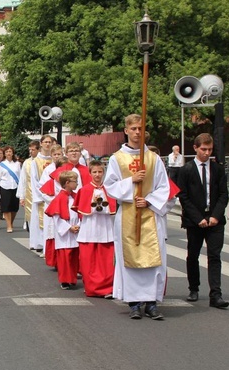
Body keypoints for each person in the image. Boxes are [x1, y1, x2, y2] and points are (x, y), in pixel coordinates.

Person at [104, 114, 170, 320]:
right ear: (126, 130)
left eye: (140, 128)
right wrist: (131, 181)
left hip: (150, 214)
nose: (137, 132)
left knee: (153, 259)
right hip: (127, 215)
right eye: (133, 128)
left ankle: (151, 303)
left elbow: (164, 187)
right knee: (129, 259)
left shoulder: (153, 158)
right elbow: (110, 186)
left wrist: (149, 200)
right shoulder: (117, 158)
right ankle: (133, 303)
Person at [177, 133, 229, 309]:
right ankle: (194, 288)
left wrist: (215, 215)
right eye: (203, 149)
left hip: (215, 219)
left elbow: (223, 195)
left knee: (215, 256)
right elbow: (183, 196)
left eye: (210, 150)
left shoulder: (218, 169)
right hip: (195, 220)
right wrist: (197, 218)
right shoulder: (186, 170)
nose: (207, 153)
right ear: (195, 148)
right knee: (193, 255)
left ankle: (216, 294)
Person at [74, 160, 116, 298]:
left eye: (100, 172)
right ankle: (91, 287)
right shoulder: (84, 190)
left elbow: (113, 207)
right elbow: (80, 209)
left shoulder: (109, 189)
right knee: (89, 260)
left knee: (106, 260)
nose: (97, 175)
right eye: (94, 172)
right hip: (89, 228)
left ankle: (107, 288)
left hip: (105, 227)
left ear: (103, 173)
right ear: (90, 173)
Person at [45, 171, 80, 289]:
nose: (77, 183)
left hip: (76, 229)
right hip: (65, 232)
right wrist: (69, 227)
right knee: (65, 257)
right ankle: (65, 280)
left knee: (74, 256)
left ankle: (72, 278)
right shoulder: (59, 198)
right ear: (67, 183)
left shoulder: (76, 196)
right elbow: (56, 217)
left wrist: (78, 225)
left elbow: (81, 212)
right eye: (75, 181)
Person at [29, 136, 54, 255]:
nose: (48, 144)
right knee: (41, 221)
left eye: (50, 142)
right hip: (42, 196)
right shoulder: (36, 161)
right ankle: (41, 244)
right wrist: (42, 195)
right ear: (41, 144)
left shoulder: (55, 159)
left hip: (54, 196)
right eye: (46, 142)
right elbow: (34, 180)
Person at [0, 146, 21, 233]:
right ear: (4, 154)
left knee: (14, 208)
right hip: (4, 187)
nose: (8, 153)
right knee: (6, 208)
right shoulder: (2, 165)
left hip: (15, 187)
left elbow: (20, 177)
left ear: (13, 153)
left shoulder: (17, 164)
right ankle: (8, 225)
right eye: (7, 152)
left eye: (10, 151)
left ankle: (11, 222)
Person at [17, 141, 38, 228]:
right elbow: (23, 179)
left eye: (33, 149)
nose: (30, 152)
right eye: (30, 150)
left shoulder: (43, 161)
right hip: (30, 192)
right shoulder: (27, 162)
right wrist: (21, 196)